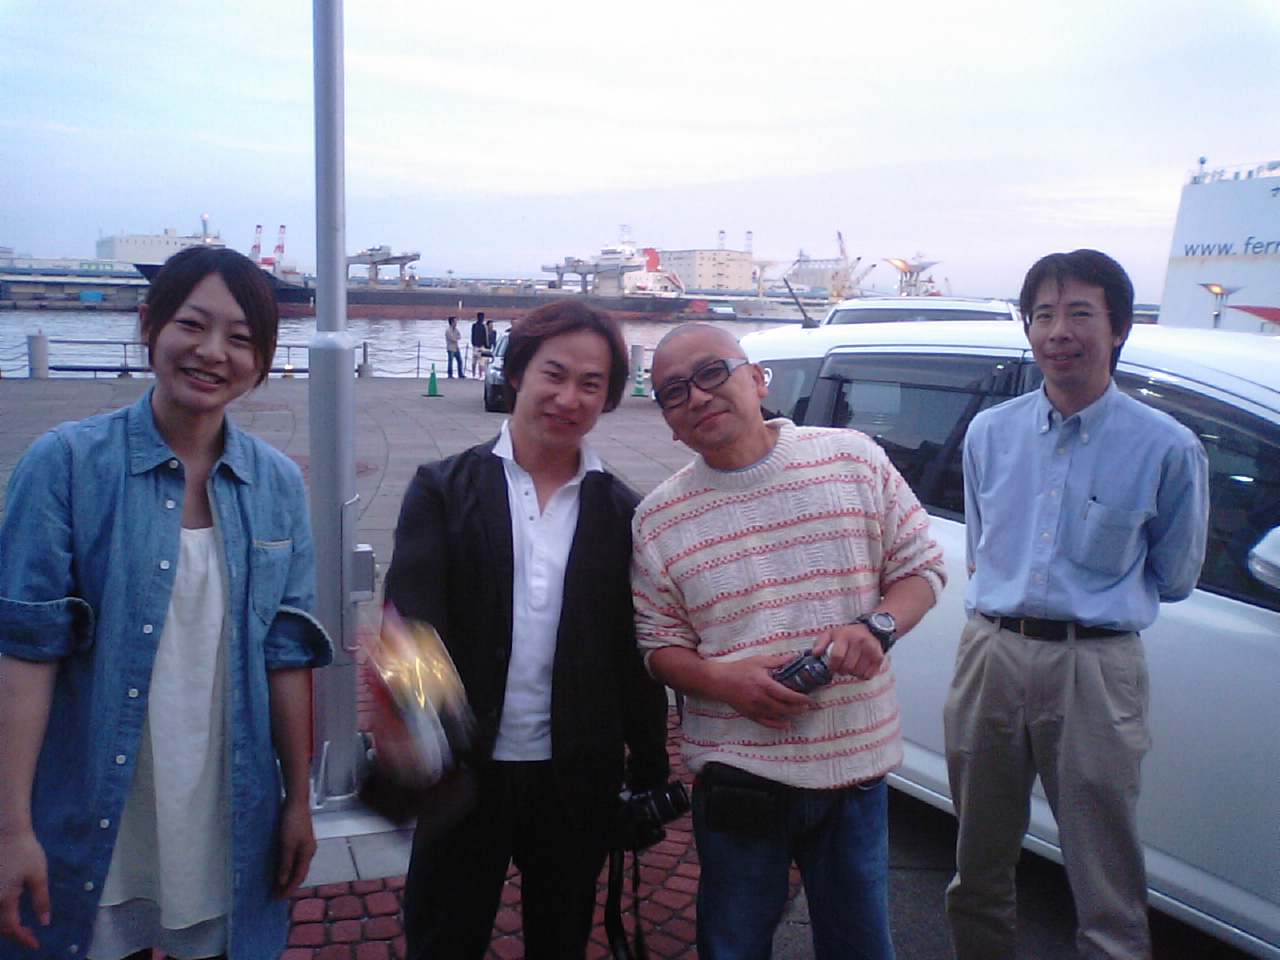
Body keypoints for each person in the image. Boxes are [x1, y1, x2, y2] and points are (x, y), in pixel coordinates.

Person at [0, 246, 333, 960]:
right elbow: (26, 655)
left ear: (262, 359)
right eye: (192, 324)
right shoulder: (64, 465)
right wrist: (12, 827)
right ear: (150, 324)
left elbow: (286, 657)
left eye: (241, 337)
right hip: (91, 818)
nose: (213, 352)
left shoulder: (277, 485)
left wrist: (298, 801)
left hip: (224, 819)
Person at [632, 323, 945, 960]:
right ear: (668, 423)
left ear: (757, 379)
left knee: (860, 946)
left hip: (854, 768)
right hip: (737, 776)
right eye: (674, 391)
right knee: (733, 946)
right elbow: (657, 644)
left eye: (712, 373)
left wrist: (878, 627)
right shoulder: (658, 518)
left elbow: (923, 568)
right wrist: (719, 680)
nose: (697, 397)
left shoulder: (852, 458)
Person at [385, 300, 670, 960]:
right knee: (444, 939)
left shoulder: (623, 512)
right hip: (465, 776)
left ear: (608, 396)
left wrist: (650, 766)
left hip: (575, 778)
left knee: (561, 938)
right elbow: (411, 624)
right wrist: (426, 742)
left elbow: (633, 652)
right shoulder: (443, 489)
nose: (569, 398)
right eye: (554, 374)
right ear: (517, 372)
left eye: (591, 383)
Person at [944, 250, 1209, 960]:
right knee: (977, 857)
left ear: (1118, 329)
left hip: (1095, 666)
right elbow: (982, 547)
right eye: (1043, 314)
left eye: (1080, 313)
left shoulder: (1167, 447)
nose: (1058, 330)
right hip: (991, 653)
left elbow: (1175, 574)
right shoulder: (989, 432)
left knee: (1105, 873)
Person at [469, 312, 488, 377]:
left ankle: (473, 374)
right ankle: (480, 375)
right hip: (481, 346)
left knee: (474, 361)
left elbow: (472, 335)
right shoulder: (483, 326)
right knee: (481, 362)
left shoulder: (474, 325)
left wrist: (473, 343)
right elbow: (485, 337)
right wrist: (486, 346)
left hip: (475, 346)